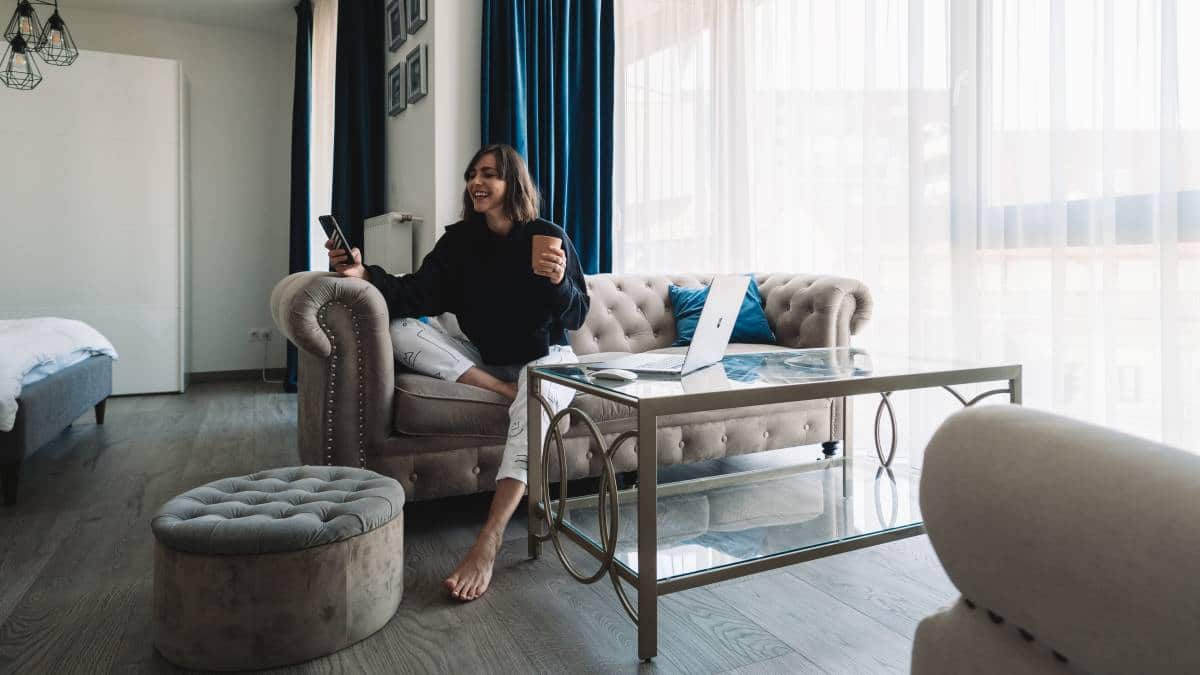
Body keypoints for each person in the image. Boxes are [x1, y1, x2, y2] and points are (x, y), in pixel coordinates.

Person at [326, 144, 590, 601]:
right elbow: (414, 295)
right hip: (486, 359)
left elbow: (577, 316)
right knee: (402, 329)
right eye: (472, 174)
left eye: (489, 174)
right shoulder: (459, 241)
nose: (476, 182)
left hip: (547, 358)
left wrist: (559, 281)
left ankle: (488, 540)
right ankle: (506, 391)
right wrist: (363, 272)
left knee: (538, 386)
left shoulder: (547, 235)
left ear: (513, 182)